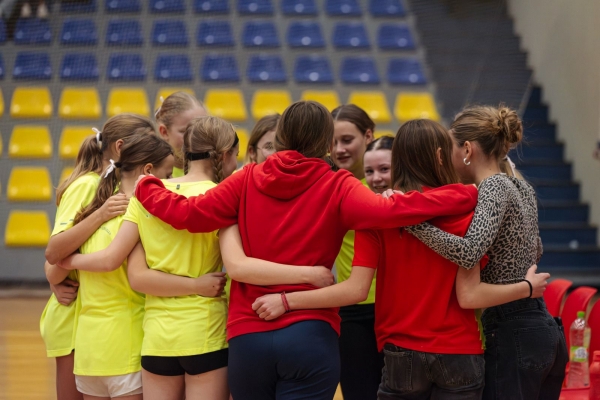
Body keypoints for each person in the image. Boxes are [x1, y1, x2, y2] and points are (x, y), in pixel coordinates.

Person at [132, 101, 480, 400]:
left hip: (248, 334)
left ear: (281, 137)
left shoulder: (246, 178)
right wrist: (464, 194)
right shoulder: (338, 184)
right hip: (311, 334)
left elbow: (188, 214)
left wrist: (147, 185)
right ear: (325, 143)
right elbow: (390, 211)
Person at [251, 119, 550, 399]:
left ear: (398, 160)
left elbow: (355, 290)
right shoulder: (467, 205)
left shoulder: (376, 217)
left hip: (401, 350)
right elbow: (471, 290)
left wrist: (287, 300)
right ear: (441, 155)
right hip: (460, 348)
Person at [58, 116, 239, 400]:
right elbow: (237, 265)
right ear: (225, 154)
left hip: (156, 341)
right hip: (205, 333)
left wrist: (67, 262)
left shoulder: (147, 196)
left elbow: (136, 276)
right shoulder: (222, 198)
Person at [406, 106, 568, 400]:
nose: (443, 157)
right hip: (543, 330)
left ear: (467, 149)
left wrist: (414, 224)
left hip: (512, 330)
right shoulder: (523, 186)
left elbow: (469, 253)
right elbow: (537, 248)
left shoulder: (492, 186)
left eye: (449, 148)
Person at [41, 114, 156, 400]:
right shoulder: (86, 185)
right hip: (74, 316)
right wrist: (100, 214)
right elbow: (55, 254)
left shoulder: (117, 187)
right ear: (120, 147)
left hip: (96, 317)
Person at [330, 104, 381, 400]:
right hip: (351, 311)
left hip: (395, 307)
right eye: (333, 142)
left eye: (347, 140)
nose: (339, 149)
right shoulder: (334, 186)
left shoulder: (395, 185)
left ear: (368, 135)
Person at [155, 91, 207, 178]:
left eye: (202, 130)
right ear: (164, 132)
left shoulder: (218, 170)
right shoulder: (150, 174)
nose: (196, 139)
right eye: (186, 132)